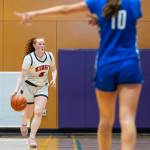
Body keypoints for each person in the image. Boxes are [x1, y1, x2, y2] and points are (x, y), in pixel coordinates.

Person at [14, 0, 143, 150]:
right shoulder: (134, 2)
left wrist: (35, 13)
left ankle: (32, 137)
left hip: (106, 64)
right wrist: (102, 21)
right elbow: (129, 24)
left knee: (106, 120)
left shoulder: (98, 3)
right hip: (129, 63)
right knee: (127, 118)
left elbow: (65, 9)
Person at [11, 37, 57, 148]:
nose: (42, 46)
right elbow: (22, 75)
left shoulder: (49, 56)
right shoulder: (29, 58)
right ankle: (23, 124)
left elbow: (54, 69)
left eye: (43, 44)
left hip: (42, 87)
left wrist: (54, 78)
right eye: (40, 44)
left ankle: (32, 138)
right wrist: (16, 90)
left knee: (38, 112)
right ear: (34, 45)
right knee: (28, 114)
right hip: (28, 87)